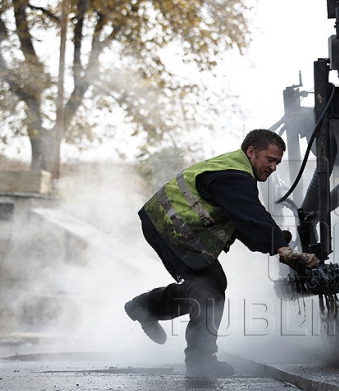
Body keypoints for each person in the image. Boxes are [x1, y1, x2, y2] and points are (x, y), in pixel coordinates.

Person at [124, 129, 318, 377]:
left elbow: (243, 223)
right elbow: (250, 214)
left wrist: (276, 240)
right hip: (170, 226)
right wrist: (281, 247)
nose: (273, 167)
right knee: (210, 285)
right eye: (269, 159)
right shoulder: (235, 176)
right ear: (251, 151)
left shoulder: (233, 172)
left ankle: (145, 307)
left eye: (277, 162)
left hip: (166, 223)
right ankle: (200, 360)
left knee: (205, 285)